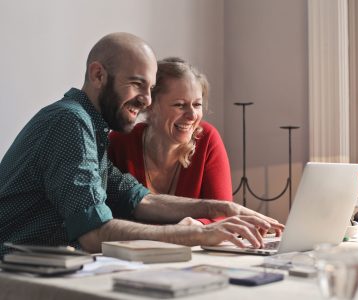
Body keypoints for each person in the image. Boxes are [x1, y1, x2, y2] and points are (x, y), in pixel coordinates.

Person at [0, 32, 284, 257]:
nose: (146, 100)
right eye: (137, 84)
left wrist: (217, 208)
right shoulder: (69, 122)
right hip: (12, 272)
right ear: (98, 75)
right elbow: (93, 234)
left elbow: (140, 199)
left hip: (40, 268)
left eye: (150, 88)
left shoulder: (90, 127)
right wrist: (198, 234)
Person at [108, 57, 232, 225]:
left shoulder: (207, 139)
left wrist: (195, 226)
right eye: (180, 105)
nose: (192, 116)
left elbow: (223, 214)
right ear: (150, 105)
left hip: (193, 250)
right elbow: (104, 215)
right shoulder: (119, 142)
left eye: (197, 105)